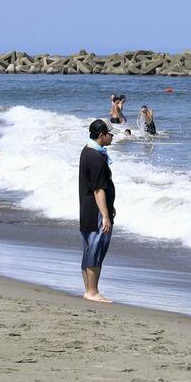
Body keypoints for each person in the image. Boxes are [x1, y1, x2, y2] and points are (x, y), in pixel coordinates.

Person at [79, 119, 116, 303]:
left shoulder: (87, 151)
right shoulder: (96, 158)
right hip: (96, 213)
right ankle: (92, 291)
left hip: (87, 210)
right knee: (96, 250)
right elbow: (98, 189)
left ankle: (88, 290)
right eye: (110, 134)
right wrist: (106, 215)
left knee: (88, 250)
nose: (112, 136)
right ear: (101, 136)